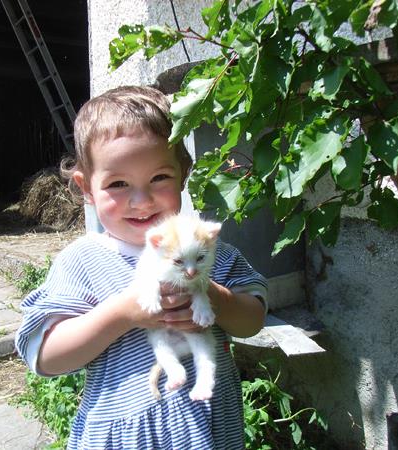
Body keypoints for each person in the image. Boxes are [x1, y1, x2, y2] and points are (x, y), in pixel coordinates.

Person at [15, 85, 268, 449]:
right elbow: (46, 356)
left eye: (159, 178)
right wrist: (124, 313)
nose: (141, 200)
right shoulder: (82, 261)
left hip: (209, 429)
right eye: (117, 183)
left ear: (183, 173)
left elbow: (253, 320)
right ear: (86, 188)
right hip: (127, 437)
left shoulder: (208, 253)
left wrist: (211, 296)